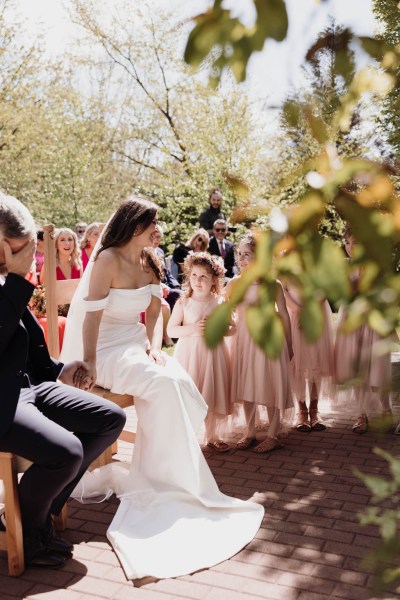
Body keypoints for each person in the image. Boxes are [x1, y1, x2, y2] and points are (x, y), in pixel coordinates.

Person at [60, 195, 264, 581]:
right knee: (166, 386)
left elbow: (156, 314)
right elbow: (89, 317)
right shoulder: (107, 260)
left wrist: (155, 347)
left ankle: (169, 473)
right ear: (135, 225)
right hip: (106, 350)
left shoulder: (149, 260)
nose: (158, 229)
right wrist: (88, 362)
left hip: (139, 347)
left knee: (177, 379)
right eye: (152, 223)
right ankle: (164, 482)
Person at [0, 192, 126, 569]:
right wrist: (20, 278)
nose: (30, 254)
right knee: (67, 452)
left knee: (111, 419)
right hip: (2, 400)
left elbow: (26, 339)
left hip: (31, 386)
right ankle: (29, 530)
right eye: (22, 248)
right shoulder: (14, 278)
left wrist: (58, 370)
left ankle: (42, 503)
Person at [226, 232, 294, 453]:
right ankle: (250, 431)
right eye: (240, 254)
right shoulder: (235, 283)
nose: (242, 259)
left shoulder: (273, 284)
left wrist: (290, 344)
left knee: (270, 384)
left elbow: (284, 315)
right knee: (247, 384)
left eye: (248, 254)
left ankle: (273, 433)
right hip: (245, 340)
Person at [168, 252, 233, 452]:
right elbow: (171, 330)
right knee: (190, 392)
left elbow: (233, 327)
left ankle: (212, 435)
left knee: (212, 392)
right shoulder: (183, 302)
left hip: (214, 354)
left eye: (203, 276)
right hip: (190, 353)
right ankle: (186, 437)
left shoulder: (220, 302)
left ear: (214, 280)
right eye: (194, 275)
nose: (198, 280)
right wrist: (192, 329)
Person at [334, 227, 394, 433]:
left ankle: (386, 410)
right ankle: (362, 414)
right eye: (347, 242)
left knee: (377, 368)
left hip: (370, 320)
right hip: (349, 320)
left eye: (356, 242)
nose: (351, 247)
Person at [282, 279, 334, 433]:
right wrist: (299, 312)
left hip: (317, 313)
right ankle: (302, 410)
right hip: (293, 314)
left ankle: (314, 409)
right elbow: (283, 290)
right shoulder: (286, 258)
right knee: (297, 363)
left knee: (316, 362)